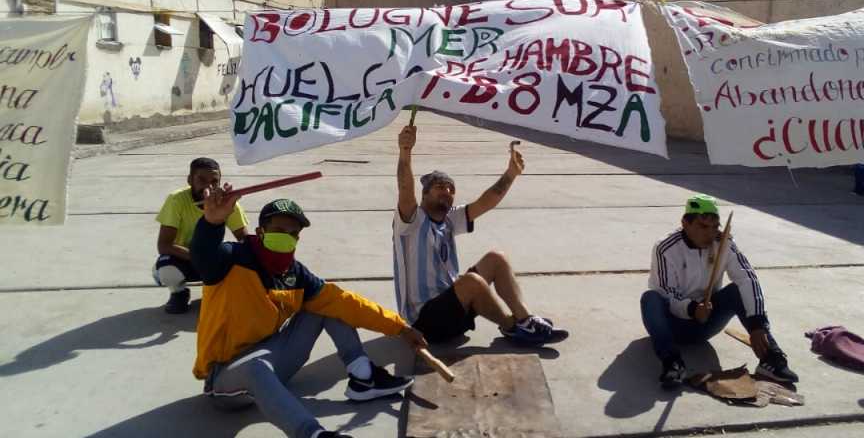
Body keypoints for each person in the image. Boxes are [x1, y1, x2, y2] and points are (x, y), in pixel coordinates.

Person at [191, 186, 427, 438]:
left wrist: (400, 327)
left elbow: (345, 302)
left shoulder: (296, 274)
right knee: (256, 367)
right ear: (260, 232)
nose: (287, 237)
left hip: (274, 357)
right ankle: (313, 434)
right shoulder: (230, 259)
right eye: (279, 231)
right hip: (226, 377)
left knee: (330, 302)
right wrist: (212, 223)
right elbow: (202, 256)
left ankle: (363, 377)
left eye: (293, 233)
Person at [392, 125, 568, 345]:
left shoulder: (449, 219)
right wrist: (405, 151)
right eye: (439, 187)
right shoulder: (411, 220)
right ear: (425, 194)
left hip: (453, 310)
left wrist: (511, 174)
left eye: (451, 189)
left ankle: (525, 319)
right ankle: (512, 327)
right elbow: (405, 189)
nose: (447, 192)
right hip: (423, 323)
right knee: (471, 281)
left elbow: (486, 202)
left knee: (496, 258)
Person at [641, 194, 799, 389]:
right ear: (685, 223)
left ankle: (771, 358)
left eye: (715, 226)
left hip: (707, 322)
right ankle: (673, 363)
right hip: (673, 325)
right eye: (703, 226)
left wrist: (757, 323)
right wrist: (692, 309)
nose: (710, 233)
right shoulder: (665, 248)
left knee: (737, 290)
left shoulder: (723, 243)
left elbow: (747, 278)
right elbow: (667, 293)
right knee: (650, 299)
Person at [154, 157, 248, 314]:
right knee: (166, 268)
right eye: (201, 180)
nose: (208, 187)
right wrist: (200, 257)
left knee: (243, 257)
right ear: (190, 179)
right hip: (185, 258)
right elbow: (164, 245)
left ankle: (216, 289)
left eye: (214, 181)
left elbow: (245, 241)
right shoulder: (176, 200)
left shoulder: (227, 203)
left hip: (214, 259)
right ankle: (179, 293)